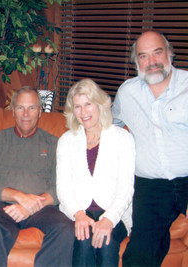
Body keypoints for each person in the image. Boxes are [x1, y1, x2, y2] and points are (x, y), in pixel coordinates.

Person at [112, 30, 188, 266]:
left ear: (169, 54)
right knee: (140, 252)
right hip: (150, 186)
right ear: (136, 62)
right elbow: (109, 126)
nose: (152, 62)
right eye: (143, 56)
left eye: (157, 53)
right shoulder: (127, 92)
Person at [0, 87, 74, 267]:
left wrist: (30, 206)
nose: (26, 114)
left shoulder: (53, 143)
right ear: (13, 111)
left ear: (40, 112)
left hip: (42, 207)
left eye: (32, 108)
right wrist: (19, 197)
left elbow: (60, 185)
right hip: (3, 206)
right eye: (20, 108)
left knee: (65, 228)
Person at [57, 79, 135, 267]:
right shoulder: (67, 140)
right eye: (77, 107)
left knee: (106, 241)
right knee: (83, 242)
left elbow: (125, 189)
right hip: (77, 212)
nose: (83, 112)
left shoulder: (122, 138)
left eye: (88, 104)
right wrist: (79, 215)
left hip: (114, 212)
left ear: (100, 104)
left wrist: (109, 219)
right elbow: (63, 187)